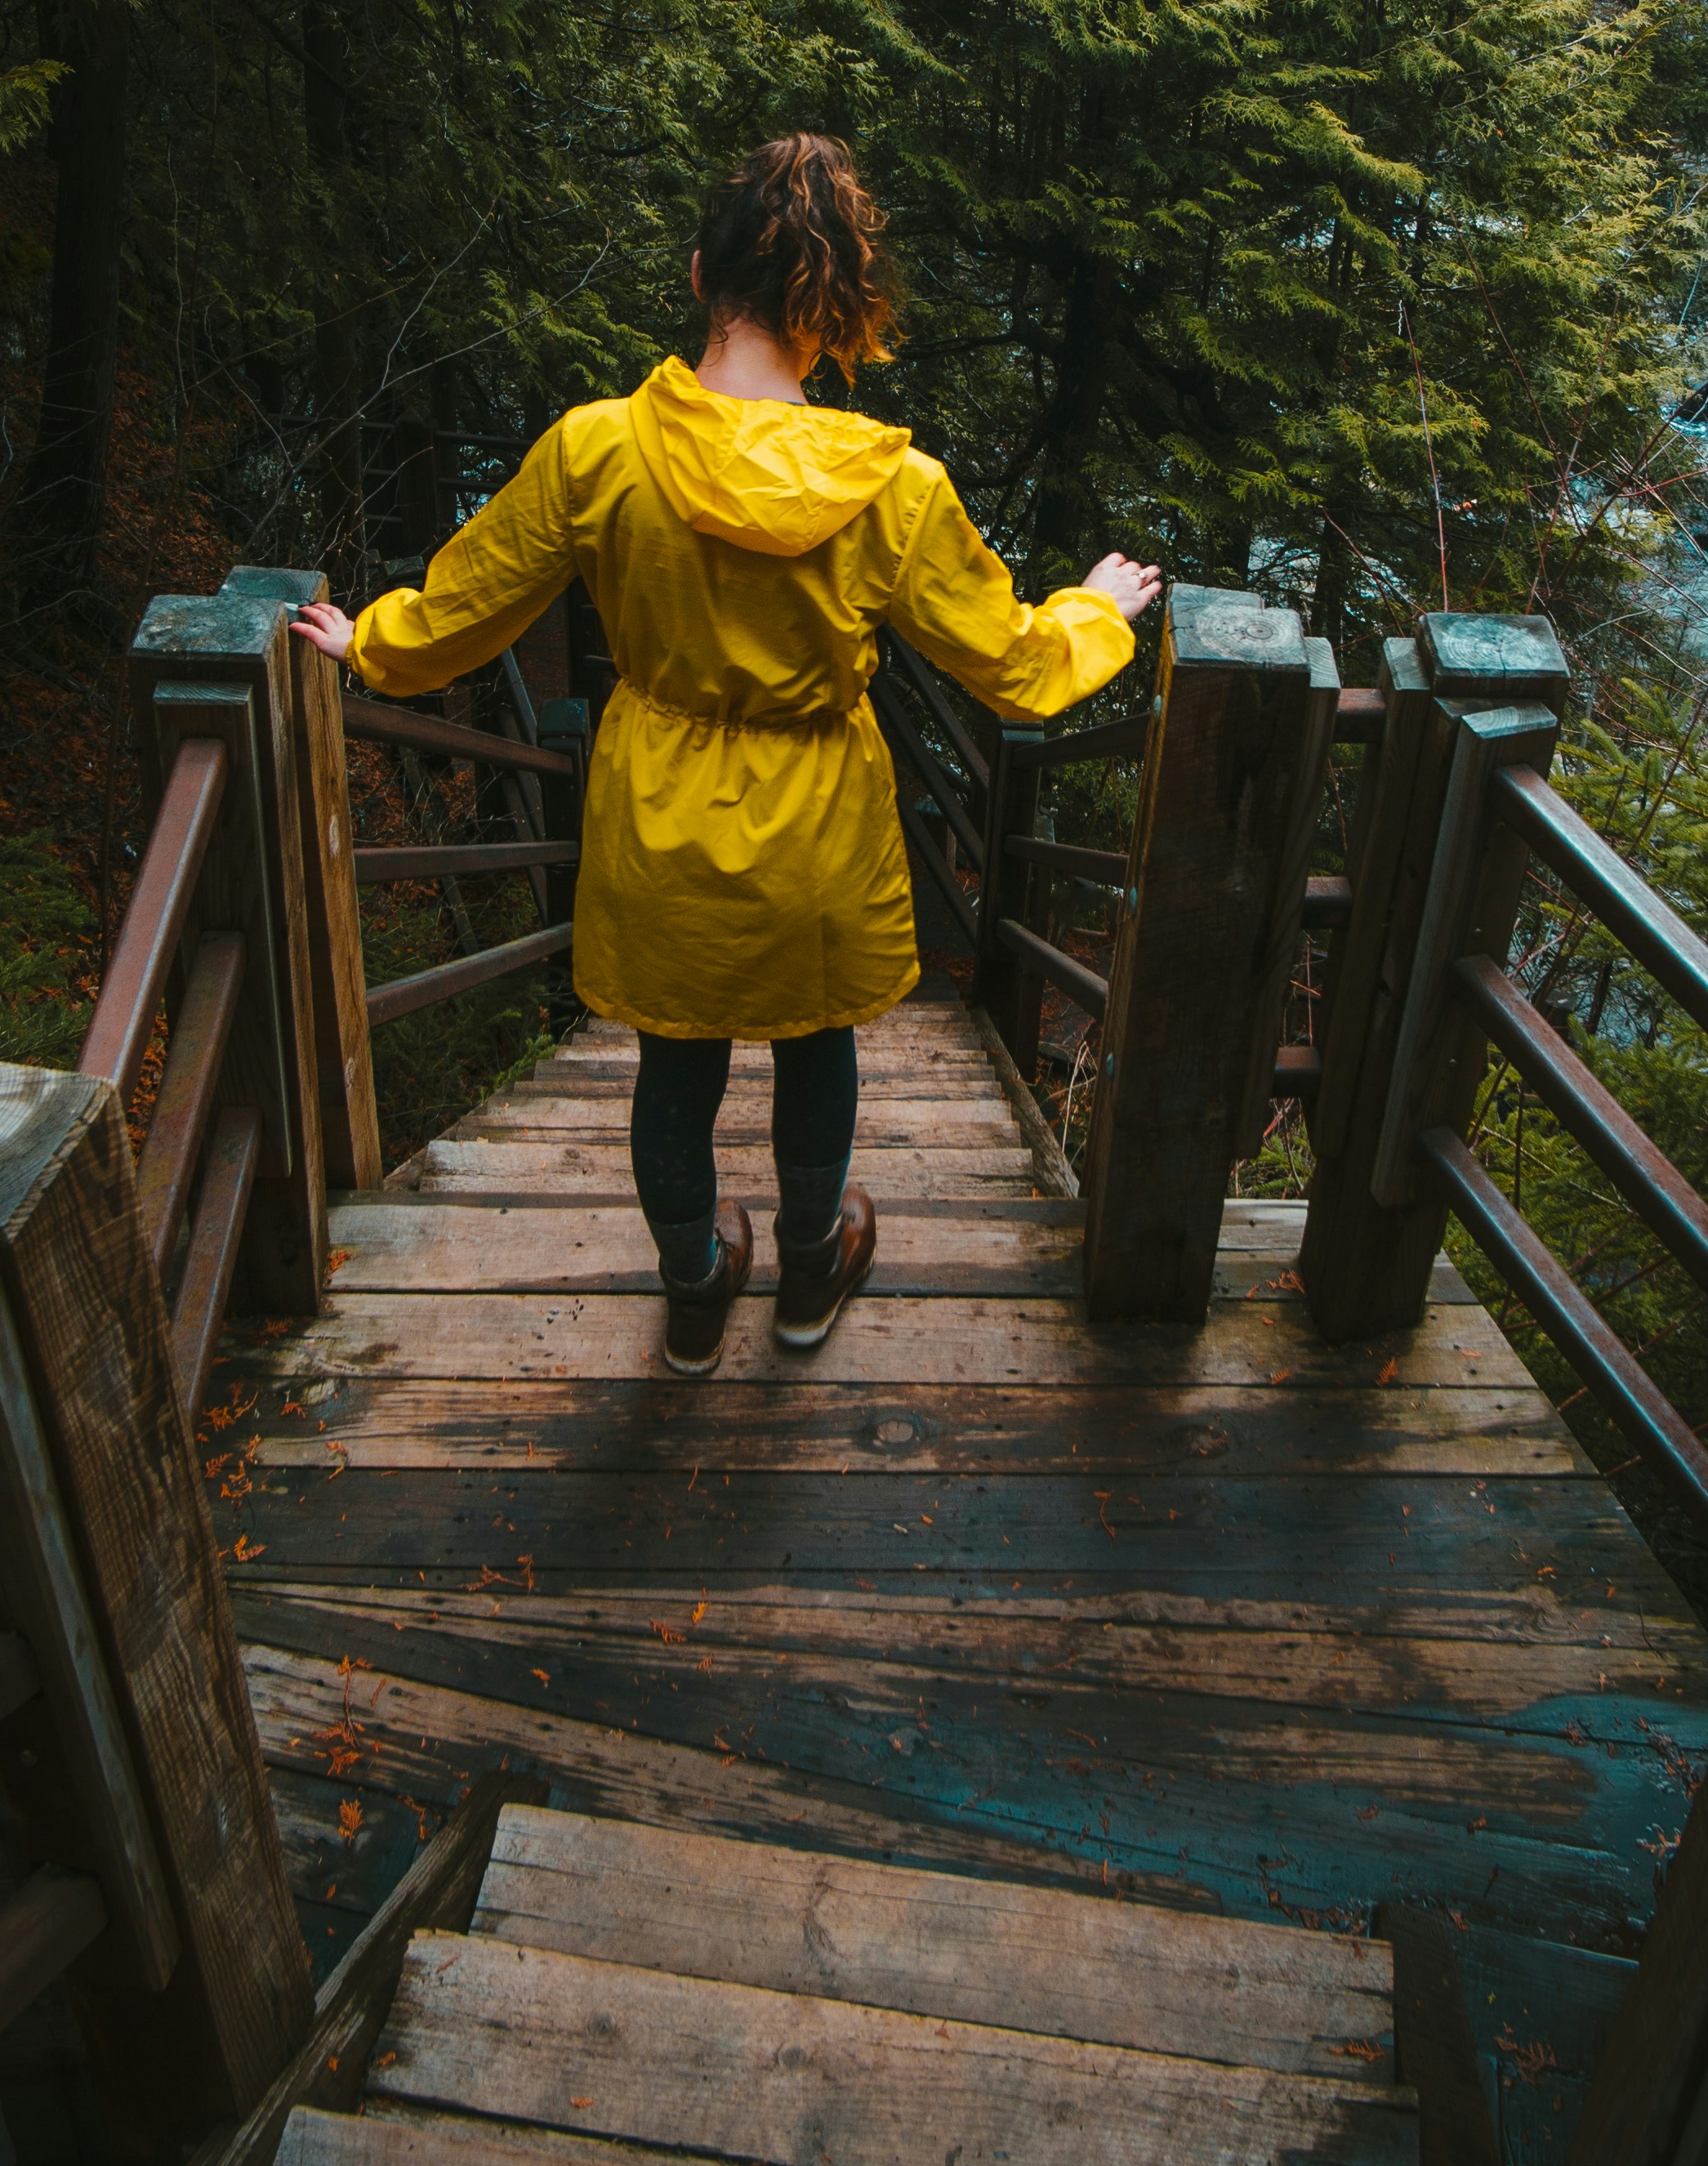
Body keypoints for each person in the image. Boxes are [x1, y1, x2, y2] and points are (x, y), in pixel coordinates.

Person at [290, 136, 1162, 1373]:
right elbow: (1012, 665)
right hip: (820, 822)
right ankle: (809, 1277)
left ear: (703, 276)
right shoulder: (892, 489)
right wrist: (1092, 610)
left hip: (659, 816)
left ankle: (697, 1289)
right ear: (833, 312)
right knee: (818, 1045)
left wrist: (364, 639)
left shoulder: (597, 451)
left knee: (675, 1061)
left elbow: (465, 609)